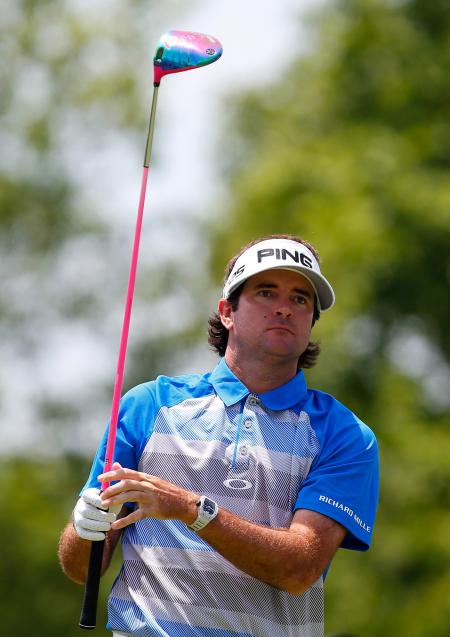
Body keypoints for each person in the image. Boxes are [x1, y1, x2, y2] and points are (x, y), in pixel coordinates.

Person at [59, 234, 379, 637]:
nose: (284, 307)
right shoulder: (147, 406)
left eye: (300, 299)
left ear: (311, 320)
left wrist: (192, 509)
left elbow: (299, 569)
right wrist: (84, 526)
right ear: (227, 312)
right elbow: (80, 567)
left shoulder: (345, 434)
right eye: (266, 292)